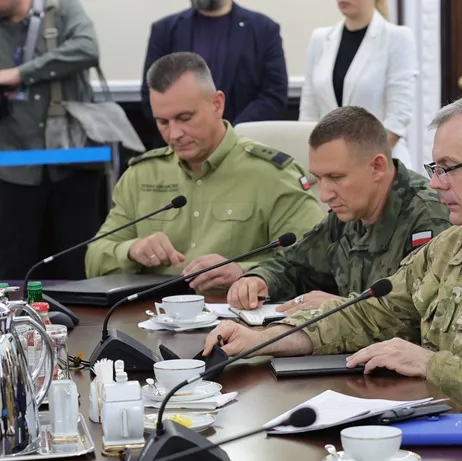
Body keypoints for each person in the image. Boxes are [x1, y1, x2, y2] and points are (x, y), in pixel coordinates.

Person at [205, 92, 462, 461]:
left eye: (448, 168)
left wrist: (430, 364)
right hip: (444, 450)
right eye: (434, 167)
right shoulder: (456, 243)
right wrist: (267, 338)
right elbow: (373, 312)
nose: (436, 183)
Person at [85, 52, 323, 291]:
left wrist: (245, 271)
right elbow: (93, 259)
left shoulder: (271, 174)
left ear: (217, 104)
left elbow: (313, 261)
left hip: (236, 311)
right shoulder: (142, 175)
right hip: (149, 309)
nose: (174, 134)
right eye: (163, 122)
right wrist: (132, 250)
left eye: (185, 118)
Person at [227, 106, 451, 313]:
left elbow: (424, 313)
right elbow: (295, 265)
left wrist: (342, 309)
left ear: (377, 167)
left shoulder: (429, 216)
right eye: (318, 178)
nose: (325, 195)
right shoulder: (348, 214)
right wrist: (259, 279)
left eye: (335, 177)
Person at [0, 0, 103, 280]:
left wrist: (21, 74)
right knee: (13, 270)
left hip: (73, 165)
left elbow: (87, 49)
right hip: (12, 171)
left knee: (79, 266)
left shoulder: (61, 9)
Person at [140, 0, 287, 133]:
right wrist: (184, 128)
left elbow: (274, 94)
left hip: (243, 142)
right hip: (179, 143)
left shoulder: (264, 30)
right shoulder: (164, 30)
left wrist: (230, 134)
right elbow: (151, 90)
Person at [300, 0, 417, 166]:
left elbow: (397, 118)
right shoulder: (319, 39)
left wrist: (359, 165)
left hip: (378, 164)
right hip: (327, 166)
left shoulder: (397, 37)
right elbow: (308, 113)